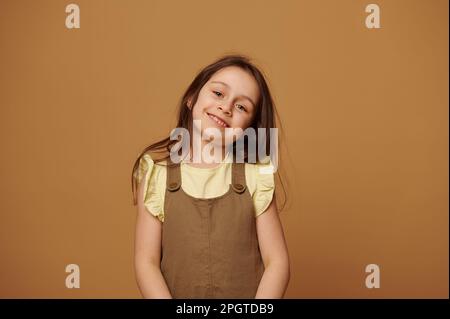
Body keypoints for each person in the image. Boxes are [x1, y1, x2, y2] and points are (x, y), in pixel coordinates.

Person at [131, 54, 290, 298]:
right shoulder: (157, 173)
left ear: (249, 127)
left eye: (241, 106)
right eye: (218, 94)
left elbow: (277, 262)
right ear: (191, 97)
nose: (226, 107)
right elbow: (146, 263)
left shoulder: (255, 175)